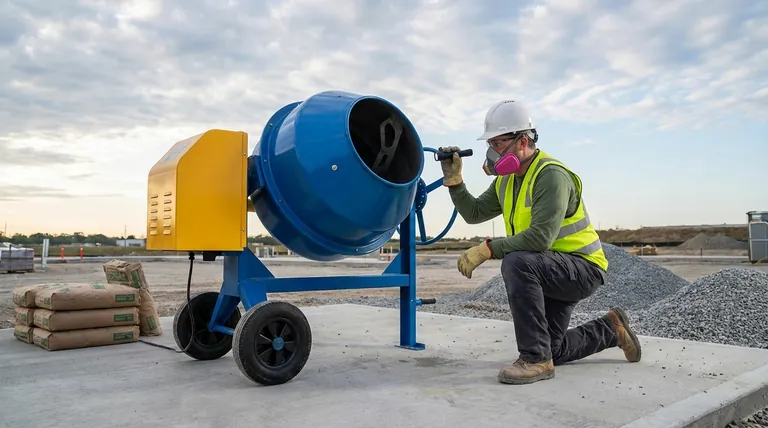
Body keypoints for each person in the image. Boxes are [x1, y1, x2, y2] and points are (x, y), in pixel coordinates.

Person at [438, 100, 642, 385]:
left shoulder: (551, 175)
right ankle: (611, 329)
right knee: (553, 348)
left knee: (516, 262)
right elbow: (473, 213)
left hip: (581, 268)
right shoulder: (506, 181)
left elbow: (539, 238)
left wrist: (487, 249)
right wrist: (455, 180)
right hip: (549, 267)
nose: (492, 152)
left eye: (498, 143)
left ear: (522, 141)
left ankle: (535, 361)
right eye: (491, 144)